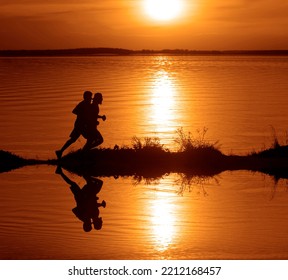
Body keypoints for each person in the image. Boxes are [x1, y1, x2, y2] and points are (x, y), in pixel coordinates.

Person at [55, 166, 106, 232]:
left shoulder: (85, 217)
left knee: (74, 184)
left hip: (81, 196)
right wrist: (100, 204)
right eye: (91, 225)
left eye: (89, 225)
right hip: (85, 195)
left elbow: (77, 209)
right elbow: (92, 205)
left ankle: (62, 172)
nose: (90, 223)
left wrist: (81, 206)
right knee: (91, 183)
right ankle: (84, 174)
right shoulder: (92, 215)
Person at [55, 91, 92, 159]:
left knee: (73, 139)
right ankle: (84, 153)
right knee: (89, 138)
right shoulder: (82, 104)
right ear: (86, 97)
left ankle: (60, 151)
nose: (91, 98)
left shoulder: (88, 104)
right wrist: (82, 115)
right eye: (90, 97)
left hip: (82, 125)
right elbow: (74, 111)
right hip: (80, 125)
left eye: (91, 97)